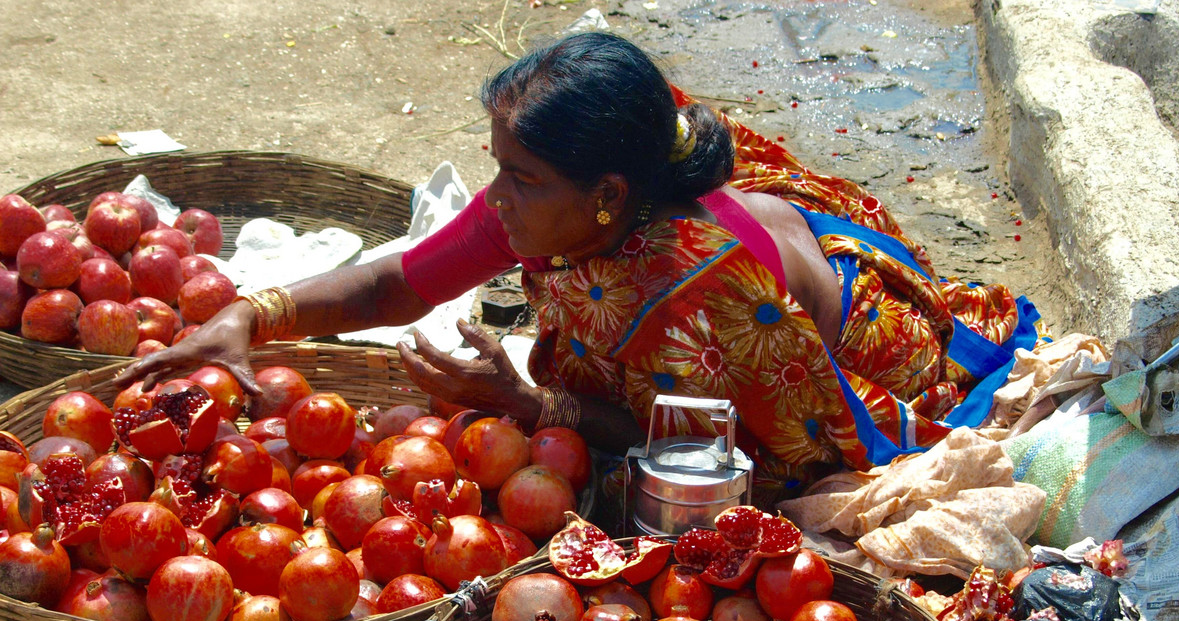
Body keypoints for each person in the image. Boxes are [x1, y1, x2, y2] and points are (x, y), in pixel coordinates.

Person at [118, 31, 1040, 498]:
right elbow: (403, 280)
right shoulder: (582, 194)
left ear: (604, 195)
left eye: (517, 177)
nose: (496, 198)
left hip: (843, 380)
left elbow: (749, 463)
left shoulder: (704, 292)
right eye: (498, 168)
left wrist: (536, 407)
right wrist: (255, 311)